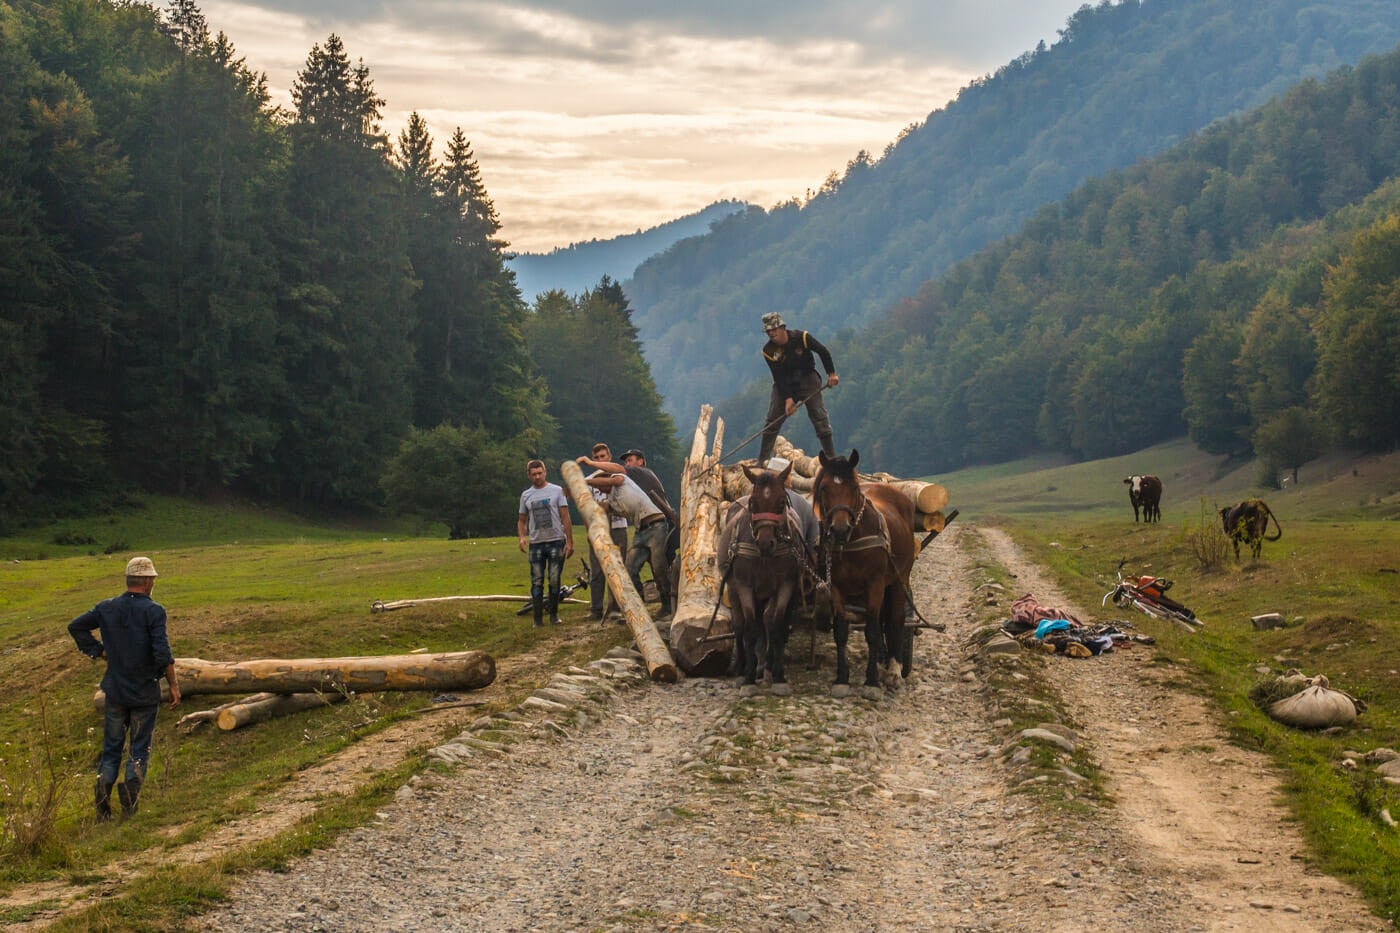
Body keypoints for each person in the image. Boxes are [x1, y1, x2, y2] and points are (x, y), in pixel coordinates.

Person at [68, 556, 181, 820]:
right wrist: (173, 684)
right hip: (144, 691)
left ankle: (102, 808)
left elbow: (76, 627)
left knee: (111, 749)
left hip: (115, 690)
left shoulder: (107, 607)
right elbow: (162, 653)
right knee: (139, 749)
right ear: (147, 581)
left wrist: (99, 651)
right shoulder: (154, 611)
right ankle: (129, 807)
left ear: (129, 580)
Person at [577, 452, 674, 620]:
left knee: (659, 567)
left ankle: (668, 606)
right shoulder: (613, 500)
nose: (599, 488)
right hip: (640, 531)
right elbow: (602, 507)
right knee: (629, 569)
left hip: (657, 524)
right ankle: (639, 606)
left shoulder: (623, 479)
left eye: (630, 460)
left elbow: (614, 478)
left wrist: (586, 477)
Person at [759, 311, 839, 464]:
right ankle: (762, 460)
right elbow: (778, 377)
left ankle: (831, 458)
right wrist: (788, 399)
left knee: (819, 415)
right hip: (785, 383)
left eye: (774, 330)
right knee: (772, 420)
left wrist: (831, 373)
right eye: (768, 331)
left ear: (782, 327)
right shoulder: (768, 351)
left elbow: (822, 351)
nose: (771, 334)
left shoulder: (801, 337)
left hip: (808, 378)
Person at [517, 459, 574, 626]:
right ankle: (537, 619)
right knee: (537, 580)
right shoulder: (526, 495)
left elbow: (565, 516)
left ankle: (554, 615)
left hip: (556, 540)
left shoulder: (557, 491)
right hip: (536, 542)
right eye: (534, 474)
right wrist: (522, 537)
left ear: (545, 472)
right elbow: (522, 520)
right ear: (529, 476)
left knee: (554, 579)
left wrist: (569, 541)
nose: (537, 477)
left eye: (540, 473)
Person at [584, 443, 629, 621]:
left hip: (618, 528)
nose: (600, 460)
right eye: (597, 458)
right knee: (597, 571)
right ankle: (595, 608)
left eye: (603, 456)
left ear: (609, 456)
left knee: (618, 569)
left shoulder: (619, 477)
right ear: (592, 460)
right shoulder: (588, 481)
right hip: (598, 531)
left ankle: (616, 607)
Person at [617, 448, 680, 567]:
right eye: (626, 462)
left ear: (640, 462)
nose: (627, 464)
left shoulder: (641, 472)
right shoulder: (634, 481)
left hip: (663, 522)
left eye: (630, 460)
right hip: (649, 525)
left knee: (663, 564)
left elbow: (618, 470)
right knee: (658, 564)